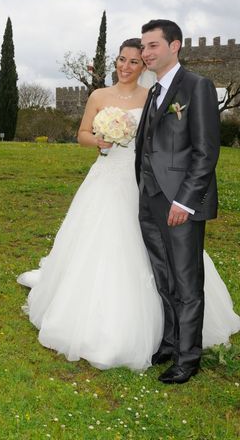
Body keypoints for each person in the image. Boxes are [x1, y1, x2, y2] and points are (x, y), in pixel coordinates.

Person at [17, 37, 240, 373]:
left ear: (144, 65)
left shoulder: (152, 97)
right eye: (121, 60)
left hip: (145, 181)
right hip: (107, 177)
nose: (125, 67)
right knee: (102, 241)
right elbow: (81, 133)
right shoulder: (98, 96)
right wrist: (100, 139)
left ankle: (172, 328)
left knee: (160, 248)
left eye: (134, 61)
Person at [136, 20, 227, 383]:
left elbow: (205, 152)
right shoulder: (153, 91)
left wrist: (186, 202)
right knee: (164, 275)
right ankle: (172, 342)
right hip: (150, 198)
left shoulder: (197, 86)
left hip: (180, 203)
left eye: (153, 45)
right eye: (143, 46)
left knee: (187, 282)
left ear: (175, 46)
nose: (146, 53)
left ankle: (188, 358)